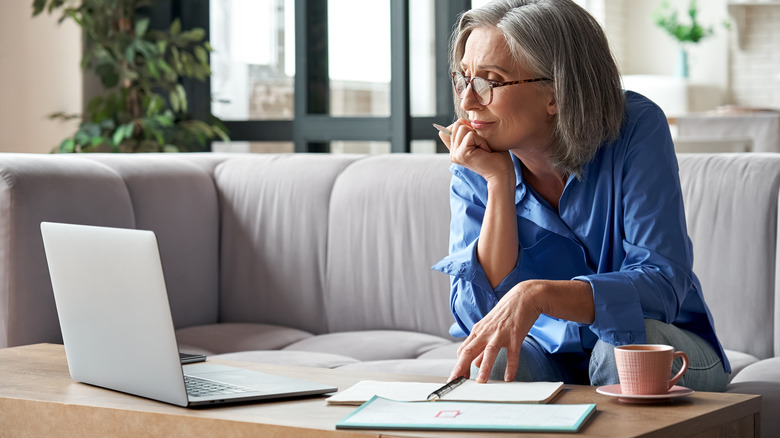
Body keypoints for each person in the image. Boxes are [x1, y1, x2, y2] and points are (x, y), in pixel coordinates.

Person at [432, 0, 730, 391]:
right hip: (547, 354)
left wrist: (539, 295)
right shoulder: (476, 160)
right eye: (463, 78)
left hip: (664, 343)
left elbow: (662, 285)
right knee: (497, 359)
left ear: (556, 93)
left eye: (490, 80)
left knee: (619, 350)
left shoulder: (637, 128)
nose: (468, 101)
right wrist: (498, 184)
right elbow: (479, 317)